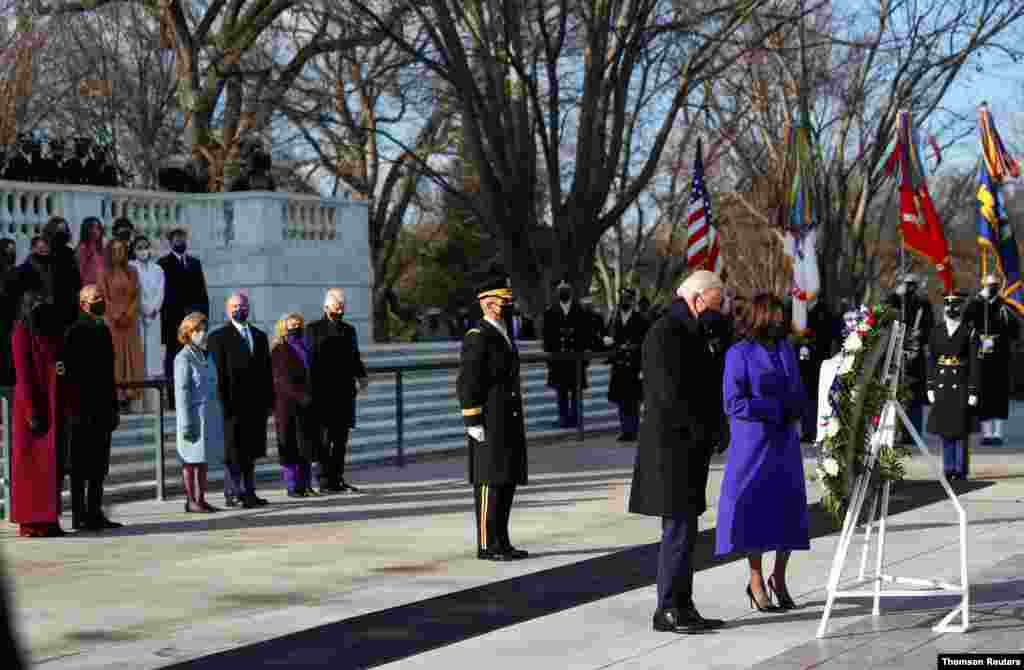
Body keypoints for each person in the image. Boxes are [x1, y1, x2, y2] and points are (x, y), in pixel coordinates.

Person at [628, 270, 727, 634]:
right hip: (671, 450)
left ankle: (683, 605)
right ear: (697, 299)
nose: (720, 312)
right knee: (677, 531)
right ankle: (668, 607)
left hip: (689, 448)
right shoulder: (665, 332)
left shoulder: (696, 331)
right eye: (716, 304)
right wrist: (702, 429)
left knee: (686, 531)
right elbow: (668, 396)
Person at [717, 292, 810, 613]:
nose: (780, 321)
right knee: (755, 512)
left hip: (784, 442)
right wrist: (773, 409)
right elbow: (733, 402)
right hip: (753, 444)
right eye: (774, 315)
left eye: (781, 316)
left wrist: (798, 408)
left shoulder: (785, 348)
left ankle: (779, 577)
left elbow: (798, 388)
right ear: (759, 316)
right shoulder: (738, 353)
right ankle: (756, 580)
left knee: (788, 510)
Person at [457, 275, 529, 561]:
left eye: (505, 300)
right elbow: (468, 383)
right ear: (485, 303)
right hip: (488, 419)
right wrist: (473, 421)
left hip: (507, 417)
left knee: (506, 480)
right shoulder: (478, 336)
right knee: (489, 482)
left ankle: (502, 540)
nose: (503, 305)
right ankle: (487, 544)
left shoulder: (504, 334)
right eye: (498, 300)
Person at [9, 292, 68, 537]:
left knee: (49, 469)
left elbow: (56, 363)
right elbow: (23, 376)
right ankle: (31, 523)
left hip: (52, 404)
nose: (41, 308)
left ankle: (49, 519)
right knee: (32, 471)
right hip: (31, 410)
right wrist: (32, 412)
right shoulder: (22, 333)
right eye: (36, 304)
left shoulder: (48, 331)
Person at [207, 292, 273, 508]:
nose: (238, 309)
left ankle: (250, 492)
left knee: (251, 452)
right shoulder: (218, 337)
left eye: (242, 305)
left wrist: (268, 402)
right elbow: (217, 374)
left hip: (255, 407)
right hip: (231, 406)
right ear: (228, 310)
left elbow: (266, 372)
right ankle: (233, 493)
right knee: (233, 453)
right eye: (234, 306)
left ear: (248, 308)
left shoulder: (260, 336)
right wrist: (222, 404)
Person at [64, 285, 122, 530]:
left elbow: (108, 373)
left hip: (101, 407)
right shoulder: (75, 331)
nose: (100, 301)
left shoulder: (103, 330)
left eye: (101, 297)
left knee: (98, 466)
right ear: (83, 303)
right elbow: (70, 374)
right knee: (79, 467)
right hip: (80, 409)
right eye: (94, 298)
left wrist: (113, 405)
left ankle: (95, 512)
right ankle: (79, 515)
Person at [306, 288, 368, 493]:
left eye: (342, 305)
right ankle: (325, 481)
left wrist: (362, 376)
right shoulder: (313, 329)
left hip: (344, 393)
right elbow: (310, 361)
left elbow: (354, 356)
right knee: (324, 440)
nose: (340, 309)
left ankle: (338, 478)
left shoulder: (349, 330)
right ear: (326, 306)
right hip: (323, 393)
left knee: (340, 440)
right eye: (336, 305)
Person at [174, 312, 223, 513]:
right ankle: (191, 499)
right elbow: (182, 391)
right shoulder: (183, 357)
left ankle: (201, 498)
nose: (202, 333)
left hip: (208, 415)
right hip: (192, 416)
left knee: (202, 461)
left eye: (204, 329)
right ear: (188, 332)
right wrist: (186, 422)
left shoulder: (206, 354)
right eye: (197, 330)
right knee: (190, 461)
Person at [927, 293, 980, 480]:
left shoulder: (969, 332)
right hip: (942, 385)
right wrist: (930, 386)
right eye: (948, 307)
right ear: (945, 310)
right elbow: (932, 361)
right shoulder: (936, 331)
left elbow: (974, 363)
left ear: (960, 310)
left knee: (961, 430)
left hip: (962, 384)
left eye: (955, 307)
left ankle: (960, 469)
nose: (951, 310)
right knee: (945, 430)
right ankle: (948, 468)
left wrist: (974, 390)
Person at [965, 274, 1020, 445]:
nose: (992, 288)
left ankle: (998, 433)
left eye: (995, 285)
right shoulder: (976, 303)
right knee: (983, 394)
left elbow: (1015, 330)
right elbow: (967, 320)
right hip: (982, 354)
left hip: (1000, 356)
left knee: (999, 395)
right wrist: (980, 300)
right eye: (989, 285)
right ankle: (987, 433)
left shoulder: (1005, 305)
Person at [158, 228, 209, 409]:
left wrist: (203, 317)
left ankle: (195, 396)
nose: (180, 241)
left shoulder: (195, 263)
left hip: (194, 322)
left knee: (195, 359)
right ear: (170, 241)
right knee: (174, 360)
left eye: (182, 238)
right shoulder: (163, 263)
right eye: (176, 238)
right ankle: (173, 399)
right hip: (173, 322)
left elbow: (202, 293)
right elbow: (164, 294)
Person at [272, 312, 321, 497]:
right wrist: (301, 396)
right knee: (290, 445)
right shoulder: (279, 350)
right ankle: (293, 485)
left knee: (306, 445)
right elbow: (282, 380)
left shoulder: (307, 347)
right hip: (288, 405)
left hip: (307, 405)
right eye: (291, 325)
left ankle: (307, 484)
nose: (295, 328)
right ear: (284, 328)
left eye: (298, 324)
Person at [886, 274, 934, 440]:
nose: (909, 288)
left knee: (914, 397)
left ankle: (912, 433)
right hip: (894, 354)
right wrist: (895, 295)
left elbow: (929, 327)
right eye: (906, 285)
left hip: (914, 356)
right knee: (894, 394)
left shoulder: (923, 304)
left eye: (912, 285)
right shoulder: (894, 301)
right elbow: (885, 317)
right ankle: (893, 432)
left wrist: (920, 334)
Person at [99, 238, 143, 409]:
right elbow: (103, 296)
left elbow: (137, 295)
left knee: (131, 356)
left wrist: (129, 313)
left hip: (130, 321)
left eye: (121, 249)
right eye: (115, 250)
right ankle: (116, 396)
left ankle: (131, 395)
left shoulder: (132, 271)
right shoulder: (103, 272)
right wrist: (116, 315)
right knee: (115, 357)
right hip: (112, 321)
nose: (118, 253)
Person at [542, 279, 590, 428]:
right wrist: (550, 358)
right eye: (561, 289)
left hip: (575, 358)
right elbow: (547, 338)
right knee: (561, 392)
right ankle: (563, 419)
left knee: (576, 392)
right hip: (559, 359)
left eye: (566, 289)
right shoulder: (550, 312)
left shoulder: (581, 311)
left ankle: (576, 419)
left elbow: (585, 335)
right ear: (557, 293)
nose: (563, 292)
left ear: (571, 292)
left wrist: (583, 356)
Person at [605, 288, 650, 442]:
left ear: (632, 301)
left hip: (634, 365)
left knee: (633, 400)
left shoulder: (640, 319)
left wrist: (642, 365)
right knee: (621, 400)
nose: (624, 301)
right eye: (622, 298)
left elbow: (645, 342)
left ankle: (634, 430)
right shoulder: (615, 318)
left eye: (627, 299)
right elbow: (609, 336)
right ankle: (625, 430)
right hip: (619, 365)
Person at [798, 299, 844, 441]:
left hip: (817, 361)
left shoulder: (817, 314)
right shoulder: (801, 313)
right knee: (812, 398)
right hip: (813, 362)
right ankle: (811, 430)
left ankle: (812, 430)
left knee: (815, 397)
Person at [130, 235, 166, 387]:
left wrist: (154, 309)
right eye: (139, 248)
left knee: (153, 349)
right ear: (134, 250)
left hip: (155, 314)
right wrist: (144, 308)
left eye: (146, 247)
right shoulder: (131, 267)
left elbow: (160, 290)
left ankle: (153, 383)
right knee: (141, 348)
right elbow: (134, 291)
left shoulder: (157, 269)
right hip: (138, 313)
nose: (143, 251)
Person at [0, 237, 18, 387]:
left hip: (14, 318)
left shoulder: (16, 272)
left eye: (13, 250)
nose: (11, 253)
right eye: (8, 251)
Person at [76, 217, 105, 287]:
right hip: (87, 289)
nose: (95, 231)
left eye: (98, 228)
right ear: (86, 230)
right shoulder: (82, 248)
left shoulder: (101, 249)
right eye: (91, 228)